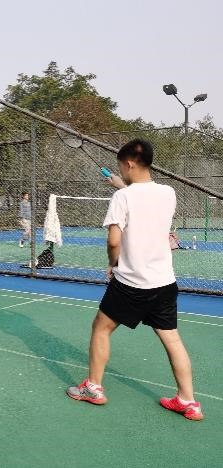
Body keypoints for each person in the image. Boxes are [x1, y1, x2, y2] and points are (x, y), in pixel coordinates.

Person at [66, 139, 204, 421]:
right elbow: (145, 203)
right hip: (164, 283)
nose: (121, 170)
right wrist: (123, 187)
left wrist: (112, 262)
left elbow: (114, 240)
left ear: (129, 164)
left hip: (131, 283)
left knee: (101, 328)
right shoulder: (168, 193)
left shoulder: (123, 198)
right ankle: (188, 401)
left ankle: (93, 388)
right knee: (172, 338)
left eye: (121, 166)